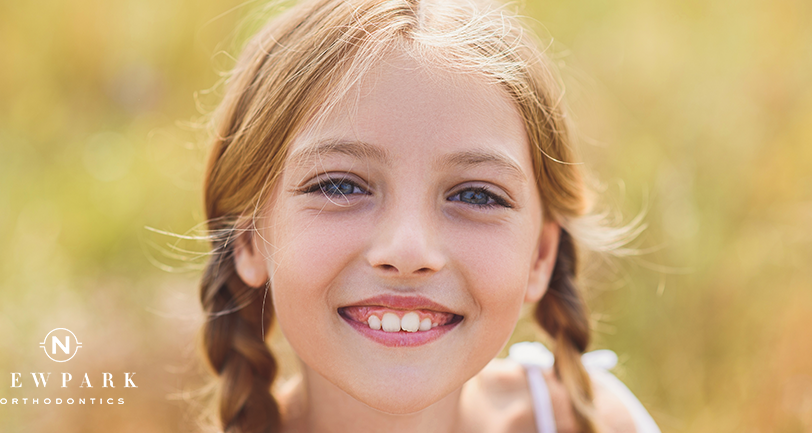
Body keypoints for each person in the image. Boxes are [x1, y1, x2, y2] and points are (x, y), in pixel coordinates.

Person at [197, 0, 660, 432]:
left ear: (540, 255)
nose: (408, 250)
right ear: (249, 239)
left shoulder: (592, 422)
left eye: (477, 196)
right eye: (340, 186)